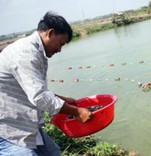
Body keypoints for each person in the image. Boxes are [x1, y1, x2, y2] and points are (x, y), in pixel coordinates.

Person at [0, 12, 93, 155]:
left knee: (53, 153)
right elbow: (39, 96)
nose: (59, 49)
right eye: (60, 43)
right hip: (9, 130)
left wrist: (65, 100)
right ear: (50, 33)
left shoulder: (36, 52)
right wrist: (77, 111)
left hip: (27, 125)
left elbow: (31, 90)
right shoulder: (25, 54)